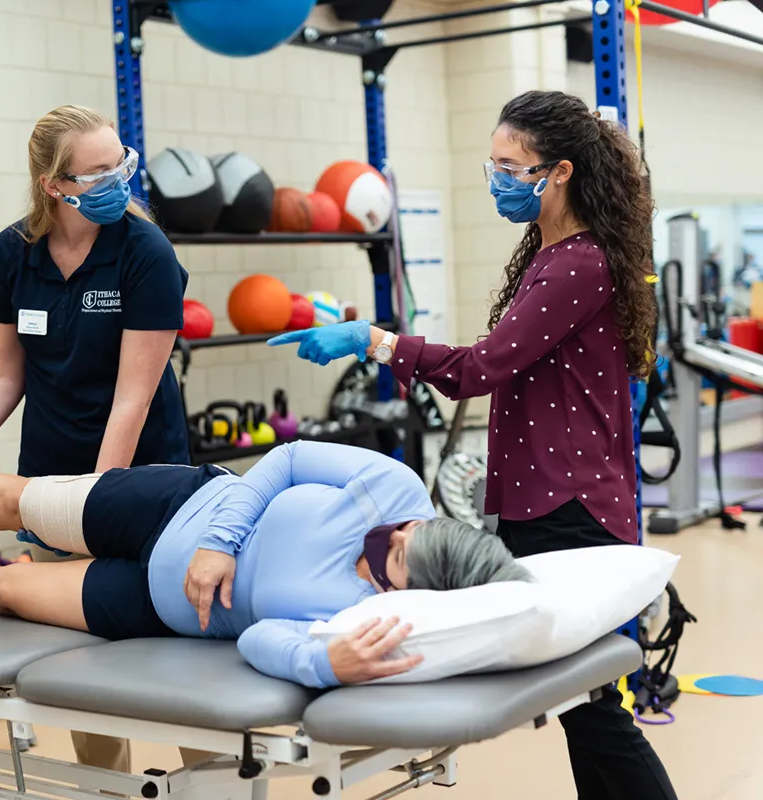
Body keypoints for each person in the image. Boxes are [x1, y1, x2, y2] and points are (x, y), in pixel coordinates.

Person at [269, 90, 676, 799]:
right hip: (547, 502)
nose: (497, 180)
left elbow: (480, 370)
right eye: (493, 165)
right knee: (580, 705)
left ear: (561, 173)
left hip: (568, 509)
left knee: (593, 709)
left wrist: (375, 341)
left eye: (512, 168)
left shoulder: (576, 265)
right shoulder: (552, 252)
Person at [0, 105, 191, 769]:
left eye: (121, 165)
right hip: (47, 478)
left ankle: (211, 779)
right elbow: (5, 375)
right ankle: (104, 785)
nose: (118, 181)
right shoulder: (11, 254)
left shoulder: (146, 254)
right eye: (98, 173)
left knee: (176, 648)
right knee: (79, 661)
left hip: (141, 480)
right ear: (55, 186)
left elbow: (132, 399)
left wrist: (96, 502)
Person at [0, 440, 531, 688]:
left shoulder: (363, 616)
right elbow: (287, 461)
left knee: (10, 589)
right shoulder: (392, 486)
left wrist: (324, 664)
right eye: (404, 534)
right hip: (179, 505)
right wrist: (218, 544)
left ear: (414, 595)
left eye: (395, 563)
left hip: (156, 603)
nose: (387, 542)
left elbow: (262, 638)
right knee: (20, 502)